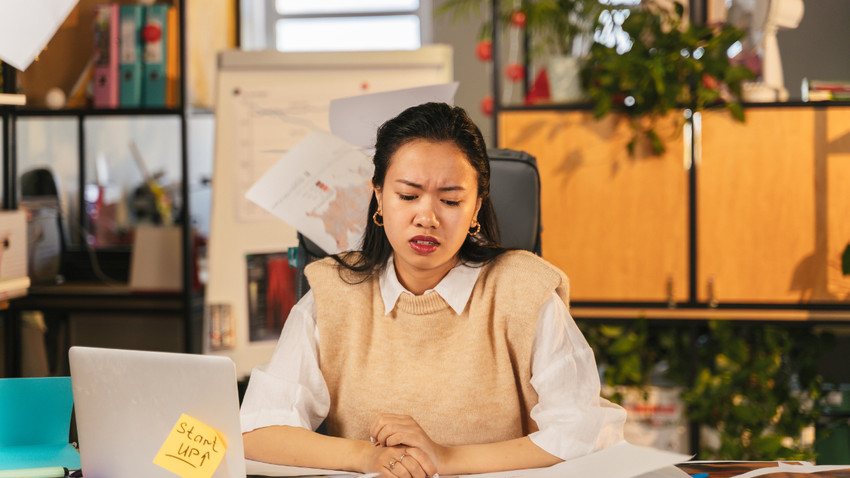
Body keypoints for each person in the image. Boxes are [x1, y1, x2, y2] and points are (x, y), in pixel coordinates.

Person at [240, 102, 626, 478]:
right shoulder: (334, 293)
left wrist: (446, 459)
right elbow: (257, 431)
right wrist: (367, 457)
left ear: (476, 208)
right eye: (408, 196)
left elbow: (585, 431)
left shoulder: (525, 290)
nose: (426, 217)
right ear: (378, 195)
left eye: (450, 200)